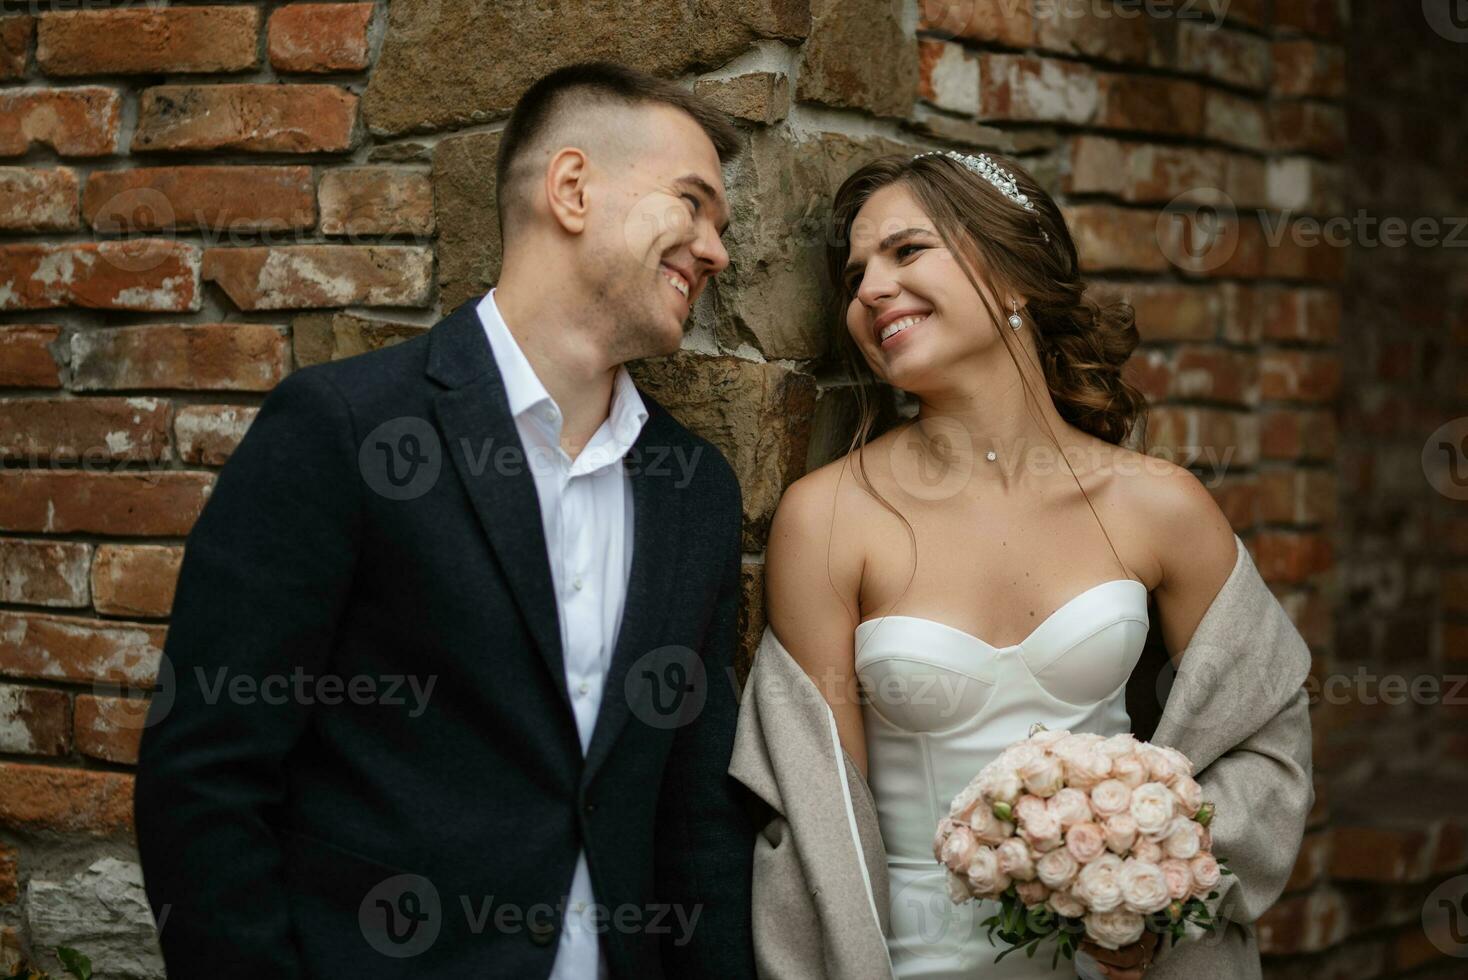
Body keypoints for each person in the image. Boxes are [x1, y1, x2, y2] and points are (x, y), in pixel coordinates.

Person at [134, 61, 758, 980]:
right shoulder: (346, 428)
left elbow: (696, 819)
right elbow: (205, 782)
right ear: (573, 189)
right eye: (692, 204)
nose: (716, 251)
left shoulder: (694, 487)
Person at [758, 149, 1309, 979]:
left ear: (1013, 275)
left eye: (907, 252)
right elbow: (815, 813)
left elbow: (1264, 736)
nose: (869, 290)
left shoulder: (1157, 504)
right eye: (854, 275)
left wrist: (1156, 888)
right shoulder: (828, 518)